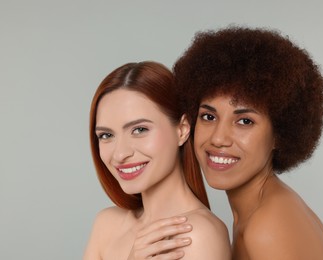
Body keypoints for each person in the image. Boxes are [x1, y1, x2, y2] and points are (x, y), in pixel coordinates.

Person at [173, 26, 323, 259]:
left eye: (244, 121)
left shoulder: (267, 226)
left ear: (279, 134)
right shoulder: (262, 211)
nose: (218, 138)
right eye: (209, 117)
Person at [83, 61, 231, 259]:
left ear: (182, 129)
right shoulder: (107, 224)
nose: (120, 154)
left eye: (139, 130)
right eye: (106, 135)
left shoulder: (196, 235)